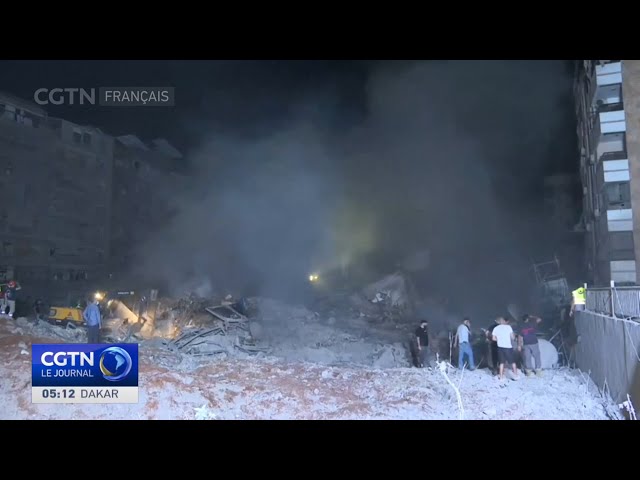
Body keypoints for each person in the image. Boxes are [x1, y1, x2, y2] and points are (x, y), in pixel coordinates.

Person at [492, 316, 519, 381]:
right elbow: (512, 337)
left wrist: (499, 340)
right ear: (503, 321)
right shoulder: (508, 327)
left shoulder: (496, 328)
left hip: (500, 347)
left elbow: (493, 338)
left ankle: (501, 377)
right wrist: (514, 338)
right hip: (508, 347)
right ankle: (515, 375)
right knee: (512, 362)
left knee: (501, 363)